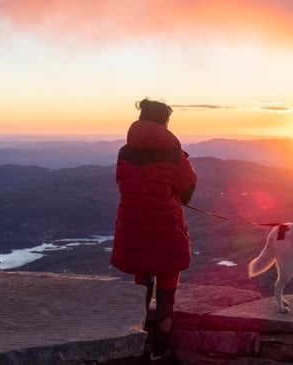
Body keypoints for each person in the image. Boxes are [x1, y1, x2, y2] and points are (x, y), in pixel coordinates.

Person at [111, 98, 197, 358]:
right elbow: (187, 191)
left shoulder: (124, 152)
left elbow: (126, 186)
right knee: (167, 293)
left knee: (141, 289)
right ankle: (159, 351)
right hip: (166, 234)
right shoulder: (173, 155)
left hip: (133, 232)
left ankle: (135, 346)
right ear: (164, 121)